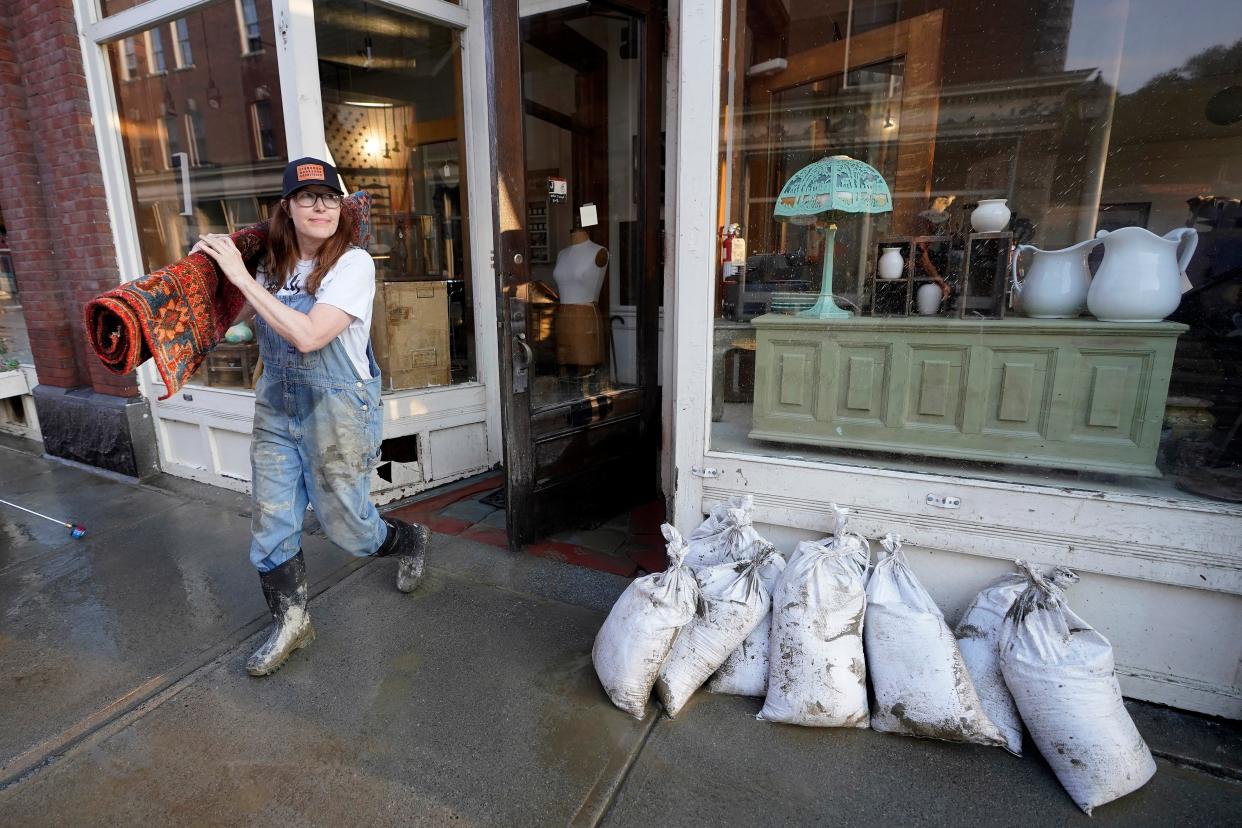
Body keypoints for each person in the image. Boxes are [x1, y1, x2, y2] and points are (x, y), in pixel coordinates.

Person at [194, 157, 429, 677]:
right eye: (307, 197)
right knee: (270, 521)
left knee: (349, 531)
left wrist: (240, 275)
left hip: (338, 410)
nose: (320, 205)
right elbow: (230, 324)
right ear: (289, 207)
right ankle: (291, 623)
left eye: (329, 196)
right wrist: (209, 274)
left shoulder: (353, 265)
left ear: (340, 206)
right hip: (278, 406)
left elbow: (309, 336)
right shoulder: (271, 267)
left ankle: (409, 539)